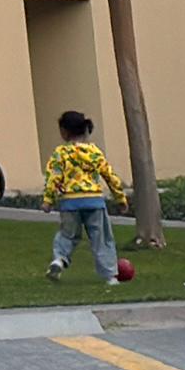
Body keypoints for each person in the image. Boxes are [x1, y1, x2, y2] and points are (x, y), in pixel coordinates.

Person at [43, 108, 123, 284]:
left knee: (67, 234)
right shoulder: (94, 152)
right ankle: (110, 275)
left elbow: (53, 177)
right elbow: (109, 175)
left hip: (70, 202)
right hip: (94, 201)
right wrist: (120, 198)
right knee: (101, 238)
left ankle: (60, 259)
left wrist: (48, 200)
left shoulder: (61, 153)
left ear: (64, 131)